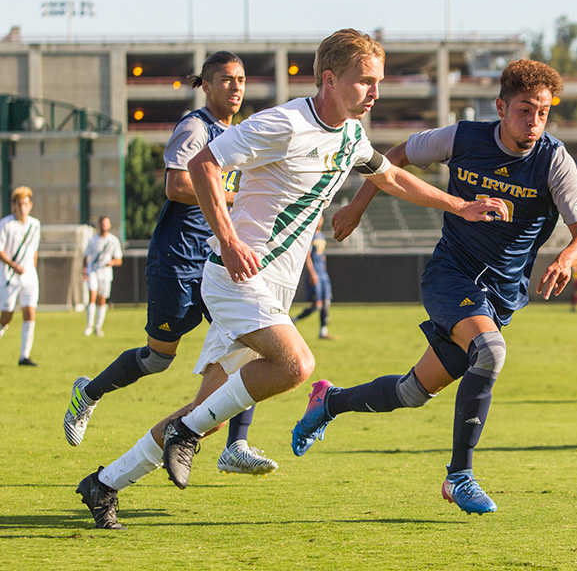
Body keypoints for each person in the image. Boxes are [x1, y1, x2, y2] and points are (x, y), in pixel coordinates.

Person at [73, 28, 507, 530]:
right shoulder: (284, 122)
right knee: (297, 364)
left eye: (379, 82)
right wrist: (231, 241)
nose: (375, 93)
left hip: (270, 289)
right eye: (365, 81)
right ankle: (184, 435)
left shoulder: (349, 135)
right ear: (329, 78)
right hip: (235, 277)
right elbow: (202, 163)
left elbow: (389, 175)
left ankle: (103, 484)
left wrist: (459, 205)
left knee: (204, 411)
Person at [291, 59, 577, 515]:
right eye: (525, 110)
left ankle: (329, 402)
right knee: (490, 352)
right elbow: (392, 158)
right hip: (450, 275)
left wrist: (569, 258)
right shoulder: (463, 137)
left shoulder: (554, 159)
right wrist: (357, 206)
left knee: (412, 393)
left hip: (501, 294)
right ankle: (460, 476)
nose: (534, 122)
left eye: (543, 113)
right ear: (501, 106)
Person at [64, 51, 276, 477]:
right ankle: (89, 392)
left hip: (217, 259)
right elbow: (177, 184)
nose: (236, 87)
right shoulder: (195, 126)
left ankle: (236, 443)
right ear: (207, 85)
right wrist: (234, 198)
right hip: (178, 258)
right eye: (226, 79)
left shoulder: (238, 134)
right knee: (159, 357)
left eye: (241, 79)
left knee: (249, 338)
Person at [0, 186, 41, 366]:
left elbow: (34, 251)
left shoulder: (35, 224)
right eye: (19, 204)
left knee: (29, 312)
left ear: (30, 205)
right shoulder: (6, 224)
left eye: (25, 204)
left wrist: (32, 269)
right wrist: (13, 266)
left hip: (29, 277)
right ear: (13, 206)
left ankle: (24, 356)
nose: (22, 208)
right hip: (10, 277)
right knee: (6, 317)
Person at [292, 216, 336, 340]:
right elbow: (307, 255)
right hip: (315, 272)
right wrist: (312, 272)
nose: (320, 220)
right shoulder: (310, 235)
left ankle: (323, 331)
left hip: (323, 273)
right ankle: (294, 320)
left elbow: (321, 255)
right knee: (317, 305)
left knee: (326, 302)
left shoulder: (321, 235)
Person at [82, 215, 123, 337]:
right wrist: (84, 270)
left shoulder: (113, 241)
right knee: (92, 297)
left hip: (105, 274)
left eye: (106, 223)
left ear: (109, 225)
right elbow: (85, 256)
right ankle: (89, 325)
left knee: (102, 300)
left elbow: (119, 260)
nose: (104, 226)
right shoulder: (93, 240)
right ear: (99, 225)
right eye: (102, 223)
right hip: (93, 271)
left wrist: (112, 262)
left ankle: (98, 327)